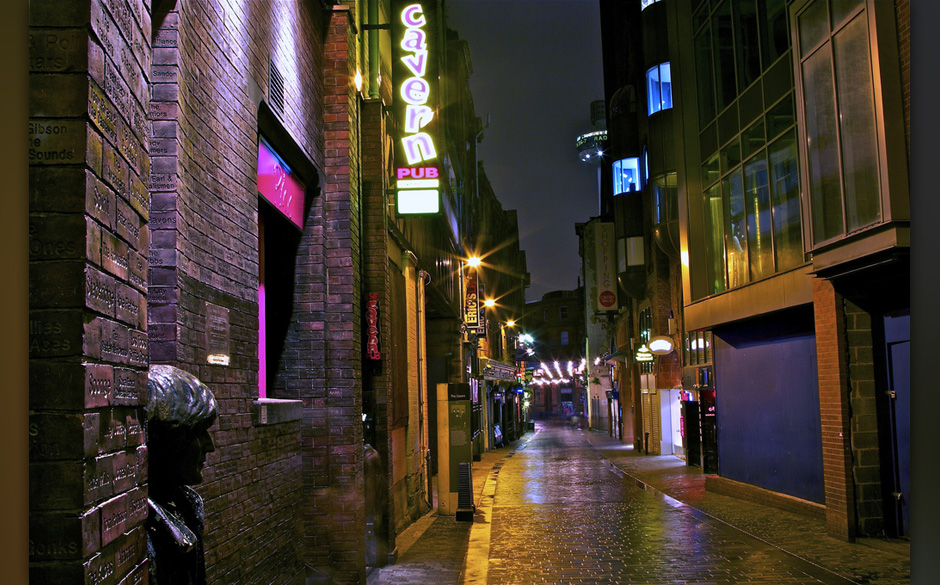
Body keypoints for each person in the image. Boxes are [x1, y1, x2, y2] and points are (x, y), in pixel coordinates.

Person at [145, 365, 218, 585]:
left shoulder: (187, 504)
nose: (210, 446)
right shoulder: (140, 529)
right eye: (198, 433)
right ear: (168, 441)